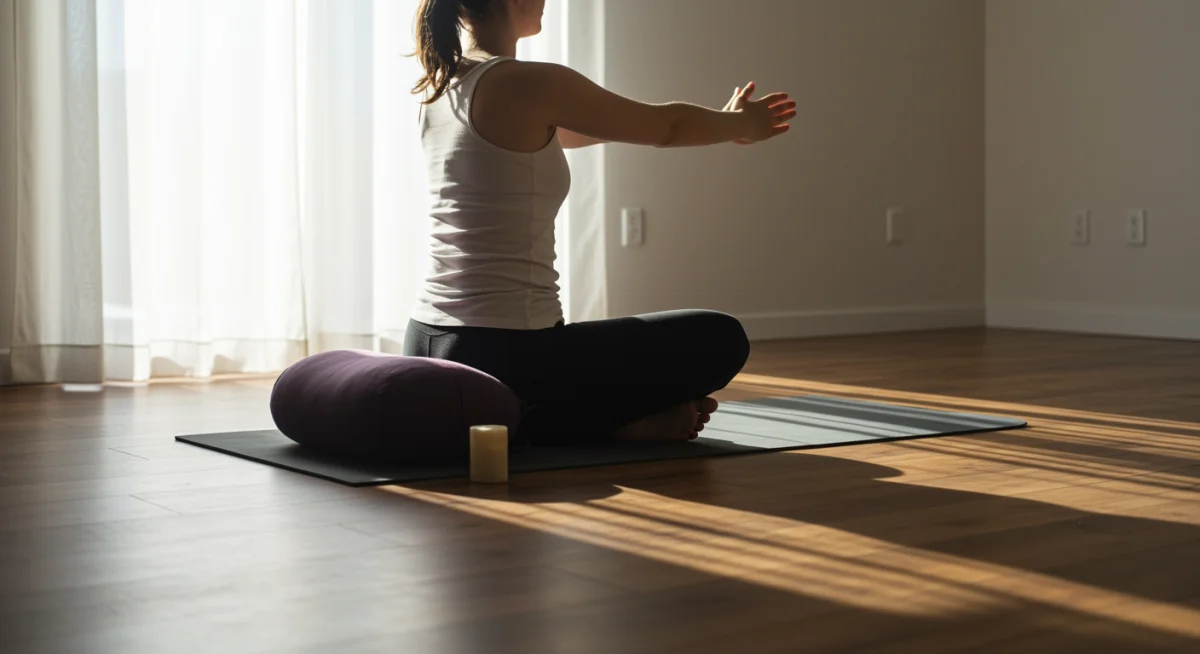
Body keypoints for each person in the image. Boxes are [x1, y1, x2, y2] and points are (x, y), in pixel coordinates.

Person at [403, 0, 797, 445]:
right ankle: (600, 424)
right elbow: (663, 127)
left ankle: (596, 414)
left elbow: (622, 125)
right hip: (505, 354)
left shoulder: (442, 84)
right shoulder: (527, 82)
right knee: (720, 337)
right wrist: (740, 123)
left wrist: (725, 123)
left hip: (428, 338)